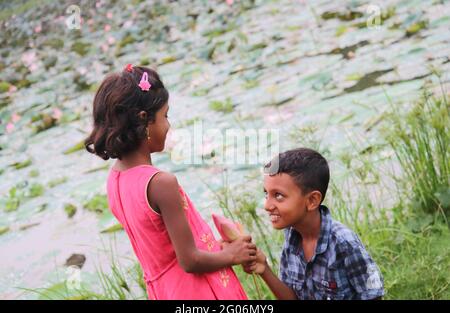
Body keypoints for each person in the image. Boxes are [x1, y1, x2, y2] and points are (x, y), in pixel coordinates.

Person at [85, 65, 256, 299]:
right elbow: (189, 260)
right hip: (196, 291)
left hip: (164, 291)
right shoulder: (160, 183)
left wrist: (217, 248)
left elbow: (165, 249)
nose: (168, 125)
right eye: (165, 116)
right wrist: (232, 255)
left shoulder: (115, 180)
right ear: (144, 120)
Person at [241, 148, 384, 300]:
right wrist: (265, 269)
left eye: (278, 195)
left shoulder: (343, 242)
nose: (267, 205)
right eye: (266, 194)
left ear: (312, 200)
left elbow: (373, 295)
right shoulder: (291, 239)